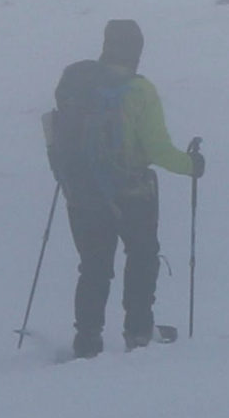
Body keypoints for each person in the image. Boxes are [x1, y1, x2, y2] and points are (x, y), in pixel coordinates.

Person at [46, 20, 205, 357]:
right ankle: (138, 332)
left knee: (93, 266)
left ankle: (87, 340)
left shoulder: (79, 85)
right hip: (132, 194)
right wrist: (192, 166)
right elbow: (157, 149)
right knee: (142, 258)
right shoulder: (139, 90)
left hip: (82, 194)